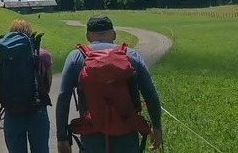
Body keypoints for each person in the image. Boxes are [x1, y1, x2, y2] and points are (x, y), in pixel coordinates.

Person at [56, 15, 162, 153]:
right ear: (114, 35)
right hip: (127, 135)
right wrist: (156, 127)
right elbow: (151, 95)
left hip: (92, 136)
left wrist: (62, 137)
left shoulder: (75, 57)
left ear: (88, 37)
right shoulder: (131, 56)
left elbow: (63, 97)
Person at [0, 18, 53, 152]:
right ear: (29, 31)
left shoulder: (4, 55)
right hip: (37, 110)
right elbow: (47, 84)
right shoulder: (42, 54)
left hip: (12, 110)